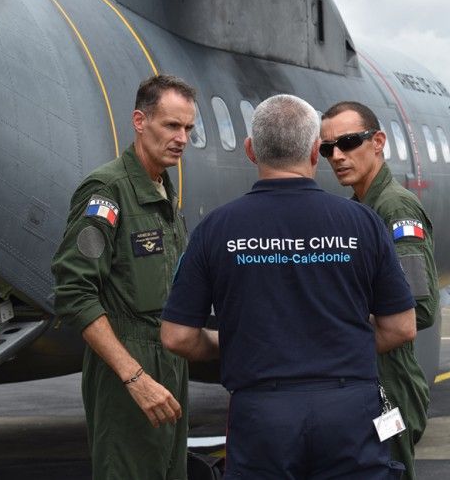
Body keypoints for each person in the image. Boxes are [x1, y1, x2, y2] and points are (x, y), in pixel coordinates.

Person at [160, 94, 416, 479]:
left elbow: (177, 337)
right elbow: (401, 327)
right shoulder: (362, 224)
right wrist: (336, 343)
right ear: (316, 151)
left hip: (262, 413)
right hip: (348, 411)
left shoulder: (215, 230)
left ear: (250, 150)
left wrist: (228, 344)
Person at [51, 74, 196, 480]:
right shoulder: (108, 190)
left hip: (169, 361)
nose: (181, 137)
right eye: (171, 125)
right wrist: (134, 377)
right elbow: (75, 291)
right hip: (126, 366)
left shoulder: (162, 192)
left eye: (188, 128)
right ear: (139, 121)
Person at [320, 101, 440, 480]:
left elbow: (419, 307)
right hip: (361, 377)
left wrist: (338, 334)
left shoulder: (395, 210)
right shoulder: (358, 209)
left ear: (378, 142)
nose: (337, 156)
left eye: (349, 142)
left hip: (388, 385)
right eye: (327, 148)